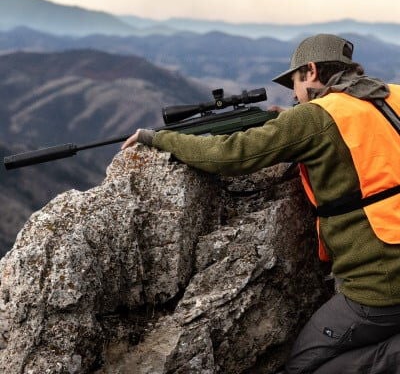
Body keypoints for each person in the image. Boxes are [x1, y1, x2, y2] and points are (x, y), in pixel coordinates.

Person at [121, 34, 400, 373]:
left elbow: (231, 154)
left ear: (311, 71)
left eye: (295, 83)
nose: (294, 95)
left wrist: (158, 137)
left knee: (303, 367)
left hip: (380, 285)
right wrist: (291, 123)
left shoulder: (314, 119)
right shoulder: (391, 95)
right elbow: (359, 131)